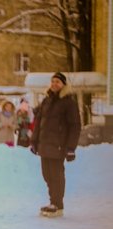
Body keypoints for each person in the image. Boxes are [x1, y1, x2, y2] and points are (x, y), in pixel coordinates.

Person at [30, 72, 81, 218]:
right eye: (53, 81)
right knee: (47, 175)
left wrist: (71, 148)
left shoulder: (68, 103)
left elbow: (75, 126)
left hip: (59, 145)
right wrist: (34, 142)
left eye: (58, 82)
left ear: (64, 85)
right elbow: (39, 123)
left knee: (56, 175)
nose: (54, 84)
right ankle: (53, 201)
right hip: (45, 145)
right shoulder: (47, 101)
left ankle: (58, 205)